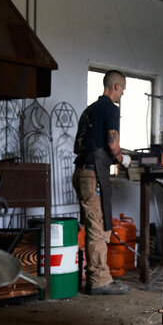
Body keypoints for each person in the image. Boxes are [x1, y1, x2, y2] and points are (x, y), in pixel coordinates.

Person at [72, 70, 131, 295]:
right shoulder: (110, 109)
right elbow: (112, 144)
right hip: (92, 173)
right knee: (97, 227)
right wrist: (122, 158)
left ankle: (100, 274)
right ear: (115, 86)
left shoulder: (88, 111)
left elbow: (77, 147)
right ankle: (98, 280)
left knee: (94, 225)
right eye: (122, 89)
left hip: (81, 171)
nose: (122, 94)